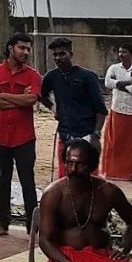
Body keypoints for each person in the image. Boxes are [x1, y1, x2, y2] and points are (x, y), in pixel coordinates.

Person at [38, 139, 132, 262]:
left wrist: (124, 248)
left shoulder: (108, 191)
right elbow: (44, 240)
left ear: (91, 165)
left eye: (79, 164)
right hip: (64, 255)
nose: (73, 169)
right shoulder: (54, 193)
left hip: (102, 255)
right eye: (69, 163)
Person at [0, 32, 40, 236]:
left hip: (24, 137)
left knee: (28, 183)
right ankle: (3, 223)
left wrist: (4, 95)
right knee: (3, 180)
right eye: (21, 48)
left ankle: (32, 227)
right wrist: (18, 99)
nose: (25, 52)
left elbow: (31, 100)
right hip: (0, 137)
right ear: (10, 48)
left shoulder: (33, 75)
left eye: (28, 49)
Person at [41, 38, 107, 178]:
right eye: (55, 55)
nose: (58, 58)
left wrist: (96, 134)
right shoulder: (52, 77)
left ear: (71, 54)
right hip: (65, 134)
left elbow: (101, 109)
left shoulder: (87, 77)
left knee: (88, 179)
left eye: (62, 54)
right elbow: (41, 94)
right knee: (64, 179)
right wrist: (53, 107)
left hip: (86, 135)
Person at [100, 45, 132, 182]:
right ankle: (112, 171)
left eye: (124, 52)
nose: (121, 54)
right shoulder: (114, 68)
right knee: (114, 142)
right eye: (120, 51)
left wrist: (119, 85)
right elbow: (108, 83)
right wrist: (126, 83)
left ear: (131, 54)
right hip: (118, 109)